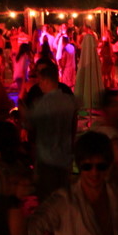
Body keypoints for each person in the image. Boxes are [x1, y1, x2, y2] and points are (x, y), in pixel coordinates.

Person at [27, 63, 79, 199]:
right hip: (65, 158)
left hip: (46, 160)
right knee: (63, 198)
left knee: (47, 199)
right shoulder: (69, 101)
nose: (39, 85)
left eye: (40, 81)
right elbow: (73, 127)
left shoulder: (41, 104)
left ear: (46, 81)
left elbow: (30, 126)